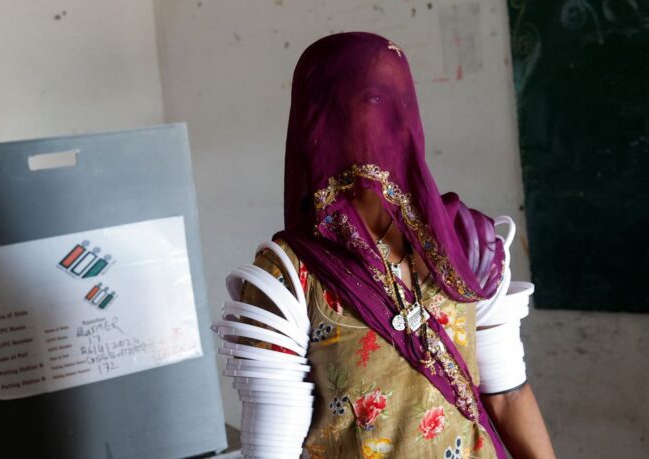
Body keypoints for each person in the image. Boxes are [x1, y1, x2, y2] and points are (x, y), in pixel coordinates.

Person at [234, 32, 555, 458]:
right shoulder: (289, 277)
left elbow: (508, 394)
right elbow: (272, 448)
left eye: (381, 101)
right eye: (340, 107)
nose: (367, 123)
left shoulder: (468, 245)